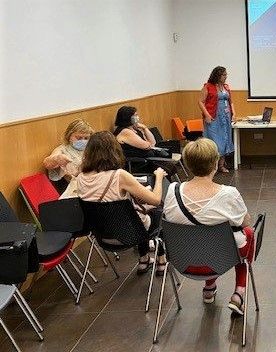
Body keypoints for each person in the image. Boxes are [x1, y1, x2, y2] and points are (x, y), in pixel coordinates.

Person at [163, 138, 253, 314]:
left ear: (188, 164)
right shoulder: (228, 194)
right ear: (214, 163)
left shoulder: (172, 190)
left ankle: (209, 287)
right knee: (247, 234)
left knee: (202, 240)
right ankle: (239, 293)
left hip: (182, 260)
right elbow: (246, 222)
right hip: (219, 260)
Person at [76, 131, 167, 275]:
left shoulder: (81, 178)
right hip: (129, 235)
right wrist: (160, 177)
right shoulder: (119, 175)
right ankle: (161, 260)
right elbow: (155, 199)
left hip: (103, 237)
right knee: (157, 211)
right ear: (114, 150)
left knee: (132, 214)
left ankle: (144, 259)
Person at [198, 66, 234, 173]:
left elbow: (230, 102)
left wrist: (234, 113)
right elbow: (200, 102)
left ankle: (221, 165)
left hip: (225, 118)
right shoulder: (208, 86)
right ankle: (211, 167)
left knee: (225, 140)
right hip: (213, 118)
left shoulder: (226, 87)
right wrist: (207, 115)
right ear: (217, 75)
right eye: (223, 75)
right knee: (214, 142)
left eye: (226, 74)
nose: (225, 76)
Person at [43, 119, 94, 195]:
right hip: (73, 191)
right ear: (69, 136)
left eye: (86, 138)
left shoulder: (91, 149)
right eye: (79, 138)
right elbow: (47, 163)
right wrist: (57, 159)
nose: (83, 141)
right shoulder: (62, 149)